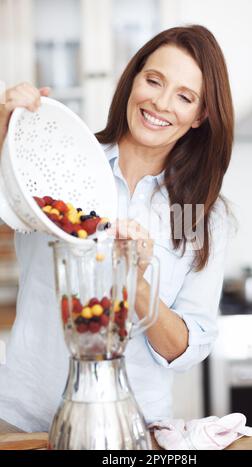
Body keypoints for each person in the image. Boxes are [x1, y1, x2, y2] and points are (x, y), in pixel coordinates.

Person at [0, 25, 234, 432]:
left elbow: (186, 347)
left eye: (184, 96)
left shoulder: (201, 214)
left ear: (201, 116)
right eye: (153, 80)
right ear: (133, 77)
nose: (161, 103)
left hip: (132, 429)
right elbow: (11, 210)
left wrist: (139, 284)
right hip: (23, 420)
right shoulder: (60, 163)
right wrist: (7, 134)